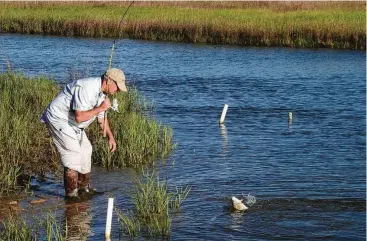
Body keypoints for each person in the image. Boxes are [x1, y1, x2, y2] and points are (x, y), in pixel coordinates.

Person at [41, 68, 127, 201]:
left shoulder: (103, 95)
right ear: (108, 80)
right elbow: (79, 117)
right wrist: (101, 108)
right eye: (117, 87)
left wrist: (111, 137)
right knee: (73, 153)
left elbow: (101, 119)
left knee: (87, 150)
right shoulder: (87, 88)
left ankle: (83, 189)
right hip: (58, 118)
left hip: (73, 124)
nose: (119, 91)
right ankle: (71, 195)